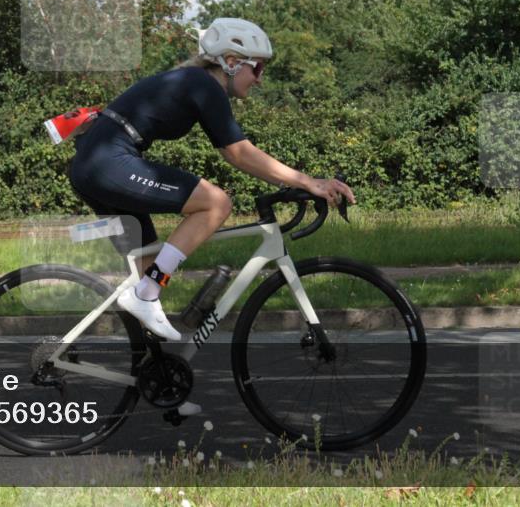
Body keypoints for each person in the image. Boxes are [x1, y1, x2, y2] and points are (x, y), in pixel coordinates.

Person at [68, 18, 356, 342]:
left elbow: (237, 151)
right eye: (258, 69)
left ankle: (150, 370)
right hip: (108, 162)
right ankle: (144, 295)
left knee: (152, 269)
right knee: (216, 203)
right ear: (231, 62)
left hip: (97, 162)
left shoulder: (193, 82)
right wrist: (309, 182)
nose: (259, 81)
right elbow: (238, 153)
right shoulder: (203, 84)